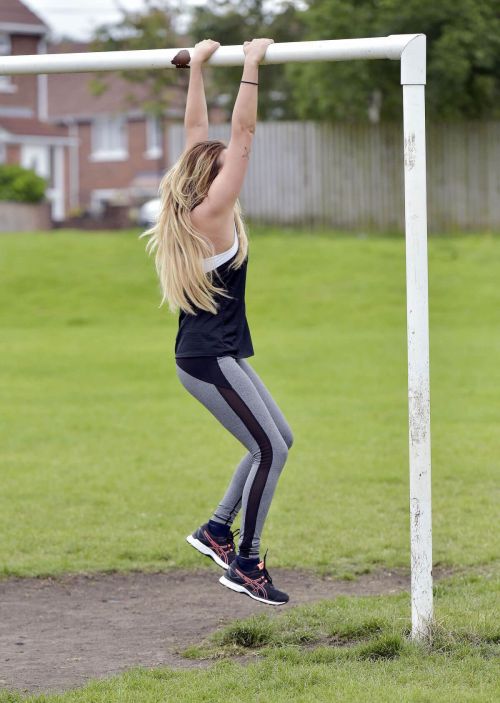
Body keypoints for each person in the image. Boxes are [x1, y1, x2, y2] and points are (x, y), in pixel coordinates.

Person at [140, 38, 293, 606]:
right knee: (270, 452)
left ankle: (216, 530)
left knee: (280, 441)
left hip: (212, 353)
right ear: (215, 173)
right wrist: (251, 63)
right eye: (224, 161)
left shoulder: (186, 205)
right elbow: (244, 137)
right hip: (207, 358)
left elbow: (196, 133)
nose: (233, 160)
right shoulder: (211, 211)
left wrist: (198, 70)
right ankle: (246, 561)